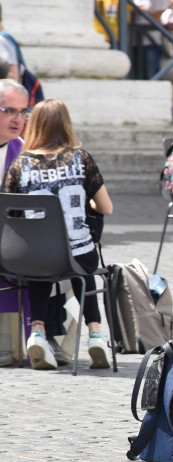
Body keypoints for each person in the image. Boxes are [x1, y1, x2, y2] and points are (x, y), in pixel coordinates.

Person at [3, 99, 114, 370]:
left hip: (29, 256)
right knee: (79, 260)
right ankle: (96, 333)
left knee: (40, 263)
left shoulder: (21, 164)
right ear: (66, 125)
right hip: (76, 254)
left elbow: (10, 209)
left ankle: (38, 332)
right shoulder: (81, 159)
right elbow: (106, 208)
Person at [0, 79, 27, 367]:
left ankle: (40, 338)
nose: (18, 119)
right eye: (9, 111)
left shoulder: (25, 152)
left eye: (23, 112)